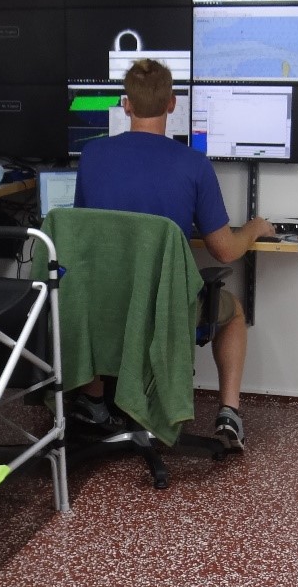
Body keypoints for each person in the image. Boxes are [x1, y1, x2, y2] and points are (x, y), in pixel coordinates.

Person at [72, 58, 274, 452]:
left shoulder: (92, 157)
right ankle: (229, 413)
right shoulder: (193, 164)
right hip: (163, 315)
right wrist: (255, 227)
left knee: (95, 302)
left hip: (105, 310)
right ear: (172, 105)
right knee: (232, 313)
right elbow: (225, 249)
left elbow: (84, 236)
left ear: (126, 105)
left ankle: (94, 402)